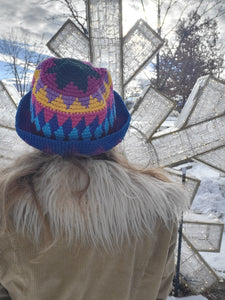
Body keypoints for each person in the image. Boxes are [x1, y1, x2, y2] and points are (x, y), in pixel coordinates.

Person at [0, 57, 187, 300]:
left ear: (35, 129)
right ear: (110, 131)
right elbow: (160, 290)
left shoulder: (8, 205)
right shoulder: (159, 209)